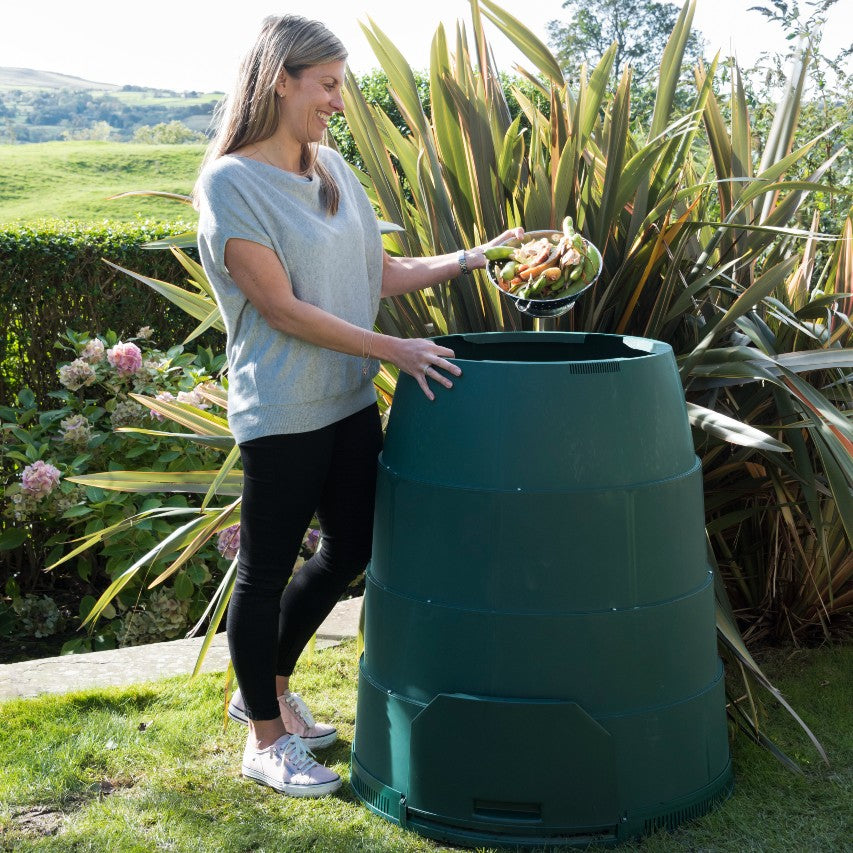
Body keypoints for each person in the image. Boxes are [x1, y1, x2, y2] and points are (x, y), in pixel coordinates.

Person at [194, 13, 522, 798]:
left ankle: (263, 688)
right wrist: (400, 353)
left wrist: (479, 256)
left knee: (349, 550)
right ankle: (264, 742)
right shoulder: (231, 183)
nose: (339, 101)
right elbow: (281, 308)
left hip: (344, 401)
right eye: (329, 85)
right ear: (281, 79)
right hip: (281, 410)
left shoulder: (331, 167)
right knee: (264, 572)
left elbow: (378, 272)